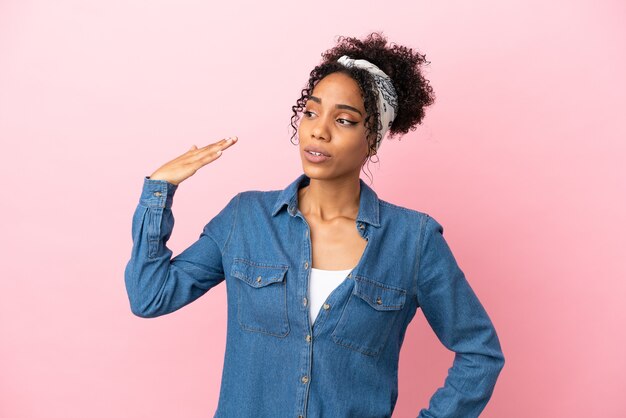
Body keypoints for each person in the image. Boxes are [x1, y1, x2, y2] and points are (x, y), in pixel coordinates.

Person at [125, 31, 505, 418]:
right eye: (310, 112)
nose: (318, 130)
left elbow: (480, 352)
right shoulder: (246, 219)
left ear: (373, 139)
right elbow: (150, 296)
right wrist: (160, 188)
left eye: (344, 120)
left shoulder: (414, 241)